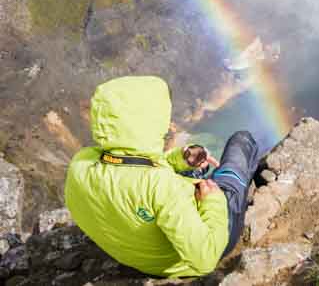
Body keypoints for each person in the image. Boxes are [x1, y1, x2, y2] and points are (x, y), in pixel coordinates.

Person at [65, 75, 261, 277]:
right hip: (182, 259)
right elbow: (205, 259)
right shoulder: (159, 186)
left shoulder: (81, 164)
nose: (167, 126)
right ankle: (250, 189)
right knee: (241, 141)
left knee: (195, 170)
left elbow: (131, 167)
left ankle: (201, 173)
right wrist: (213, 201)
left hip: (142, 256)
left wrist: (180, 159)